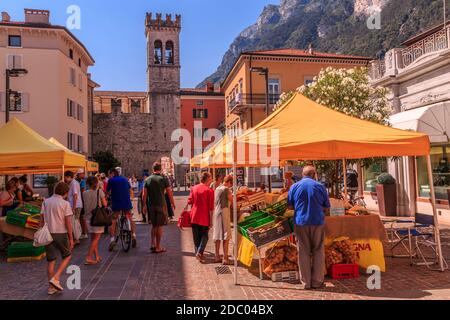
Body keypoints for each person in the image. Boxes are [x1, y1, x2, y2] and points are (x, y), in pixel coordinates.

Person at [288, 166, 330, 290]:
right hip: (317, 221)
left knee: (303, 251)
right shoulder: (320, 187)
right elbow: (327, 207)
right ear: (314, 174)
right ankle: (317, 282)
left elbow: (289, 206)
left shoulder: (294, 187)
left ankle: (306, 282)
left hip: (300, 222)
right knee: (318, 250)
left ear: (302, 174)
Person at [40, 182, 74, 295]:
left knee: (51, 260)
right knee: (67, 255)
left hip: (48, 233)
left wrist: (41, 231)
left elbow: (41, 219)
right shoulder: (65, 204)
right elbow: (68, 222)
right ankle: (56, 277)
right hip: (61, 233)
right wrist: (71, 237)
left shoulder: (45, 202)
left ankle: (51, 287)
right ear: (65, 192)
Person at [142, 163, 175, 253]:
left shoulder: (147, 179)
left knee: (153, 225)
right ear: (160, 169)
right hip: (161, 205)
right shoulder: (163, 179)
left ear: (153, 169)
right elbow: (169, 192)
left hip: (151, 205)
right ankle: (158, 247)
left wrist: (144, 205)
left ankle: (152, 243)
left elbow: (144, 194)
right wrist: (172, 203)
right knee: (160, 226)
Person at [107, 167, 137, 251]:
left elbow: (107, 192)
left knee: (113, 220)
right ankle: (133, 235)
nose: (109, 176)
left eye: (110, 174)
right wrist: (131, 197)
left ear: (113, 173)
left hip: (116, 203)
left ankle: (112, 240)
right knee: (130, 217)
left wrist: (107, 197)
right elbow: (130, 189)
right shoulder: (125, 180)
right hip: (126, 202)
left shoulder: (111, 180)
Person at [188, 172, 214, 263]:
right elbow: (211, 208)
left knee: (196, 236)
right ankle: (199, 252)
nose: (211, 180)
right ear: (207, 179)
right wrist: (211, 221)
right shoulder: (209, 190)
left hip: (194, 215)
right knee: (204, 236)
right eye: (211, 178)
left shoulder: (194, 188)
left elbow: (190, 201)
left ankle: (199, 253)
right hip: (204, 216)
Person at [82, 176, 107, 265]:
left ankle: (96, 256)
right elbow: (105, 204)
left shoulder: (84, 193)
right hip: (97, 217)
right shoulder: (99, 192)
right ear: (96, 183)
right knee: (96, 239)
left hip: (88, 218)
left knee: (93, 239)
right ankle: (88, 257)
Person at [213, 175, 233, 264]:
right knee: (226, 236)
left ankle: (217, 256)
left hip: (216, 212)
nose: (230, 186)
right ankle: (225, 258)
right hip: (224, 212)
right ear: (229, 182)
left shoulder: (217, 188)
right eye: (231, 184)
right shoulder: (226, 189)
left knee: (217, 235)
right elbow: (232, 200)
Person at [64, 171, 83, 244]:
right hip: (75, 205)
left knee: (74, 222)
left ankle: (76, 238)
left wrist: (74, 208)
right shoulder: (72, 183)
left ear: (69, 176)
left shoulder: (73, 183)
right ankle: (76, 237)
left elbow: (75, 196)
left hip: (75, 206)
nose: (65, 179)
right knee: (75, 222)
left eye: (65, 177)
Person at [76, 169, 88, 239]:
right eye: (82, 173)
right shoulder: (80, 181)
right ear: (79, 174)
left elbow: (83, 191)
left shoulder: (82, 181)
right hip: (81, 201)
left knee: (82, 218)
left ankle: (84, 232)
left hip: (81, 201)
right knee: (81, 218)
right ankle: (83, 232)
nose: (84, 174)